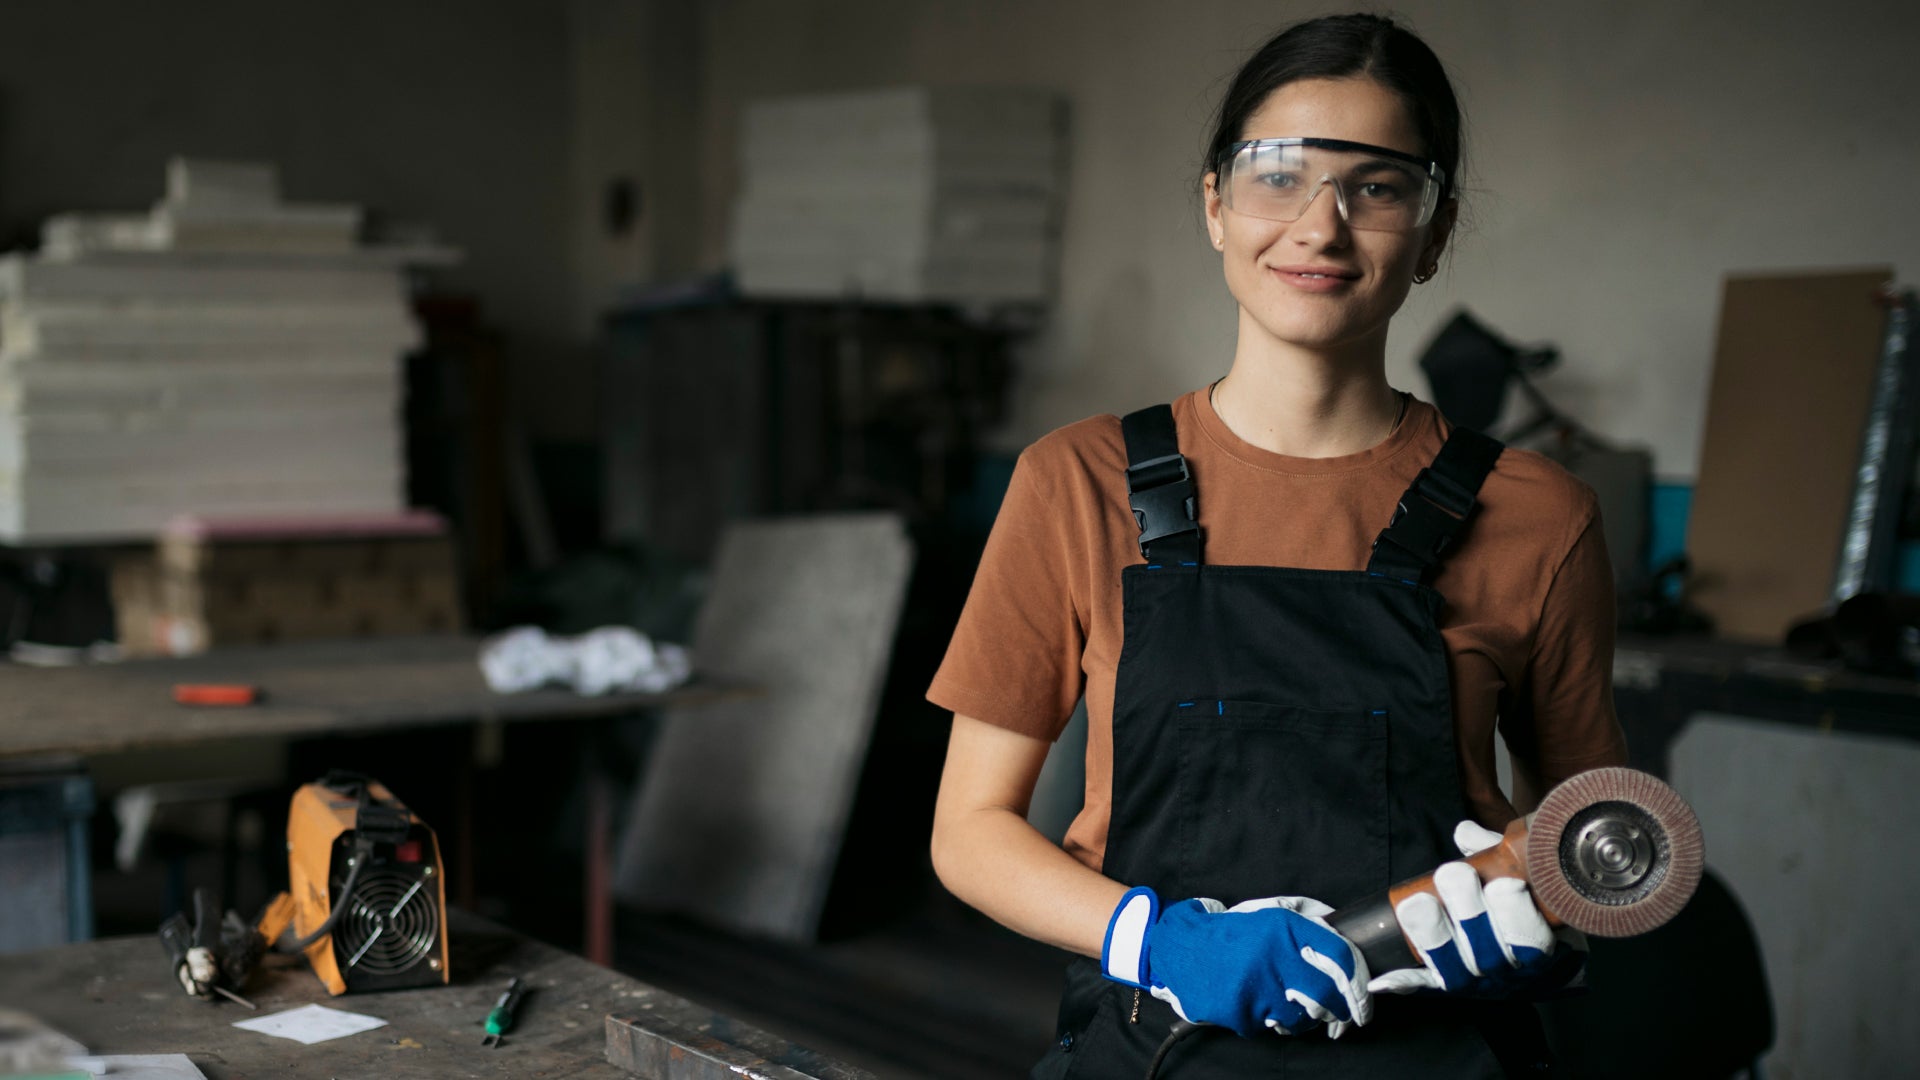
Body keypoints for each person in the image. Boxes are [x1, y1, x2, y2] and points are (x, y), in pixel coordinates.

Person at [926, 12, 1627, 1078]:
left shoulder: (1541, 514)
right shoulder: (1075, 482)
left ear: (1435, 232)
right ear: (1215, 205)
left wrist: (1532, 910)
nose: (1321, 226)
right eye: (1277, 175)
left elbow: (1607, 835)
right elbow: (969, 830)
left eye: (1379, 187)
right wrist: (1156, 940)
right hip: (1154, 1051)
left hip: (1439, 1055)